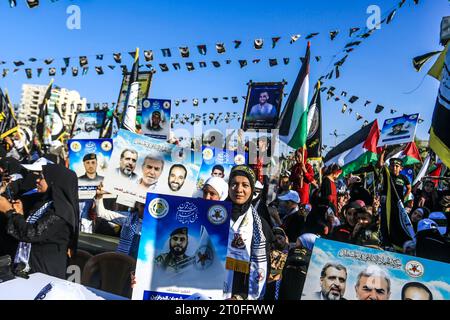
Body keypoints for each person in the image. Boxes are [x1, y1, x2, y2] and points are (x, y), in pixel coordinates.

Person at [0, 164, 79, 279]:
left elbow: (32, 233)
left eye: (42, 177)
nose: (37, 180)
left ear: (53, 181)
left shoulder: (62, 211)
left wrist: (10, 212)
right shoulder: (43, 203)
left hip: (45, 275)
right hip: (27, 270)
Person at [224, 165, 273, 300]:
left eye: (245, 185)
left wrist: (240, 297)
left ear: (252, 190)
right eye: (234, 184)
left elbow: (263, 269)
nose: (239, 190)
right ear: (228, 187)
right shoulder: (214, 216)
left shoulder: (260, 226)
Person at [94, 184, 144, 258]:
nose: (145, 209)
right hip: (122, 259)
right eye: (143, 205)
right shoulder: (127, 217)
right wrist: (99, 197)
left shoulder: (156, 226)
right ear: (137, 205)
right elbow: (101, 213)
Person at [378, 152, 412, 250]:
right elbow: (380, 165)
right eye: (392, 165)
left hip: (398, 204)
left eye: (397, 166)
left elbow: (409, 188)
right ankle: (386, 243)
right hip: (387, 203)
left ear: (401, 168)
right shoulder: (387, 174)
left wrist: (404, 198)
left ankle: (396, 244)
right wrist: (383, 152)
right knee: (385, 221)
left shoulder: (404, 178)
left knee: (397, 222)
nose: (394, 168)